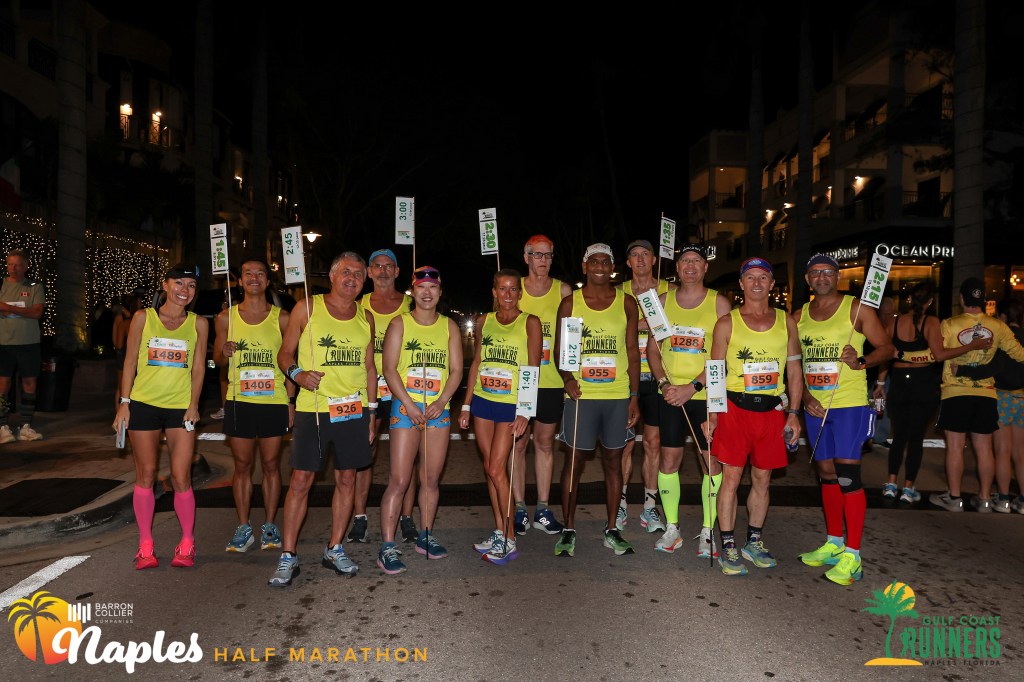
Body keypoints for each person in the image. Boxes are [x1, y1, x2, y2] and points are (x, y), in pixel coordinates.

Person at [268, 252, 377, 587]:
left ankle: (335, 547)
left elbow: (370, 367)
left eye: (358, 274)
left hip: (353, 410)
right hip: (313, 409)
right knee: (301, 481)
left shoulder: (366, 317)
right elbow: (284, 354)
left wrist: (372, 412)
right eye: (346, 272)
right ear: (331, 275)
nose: (352, 278)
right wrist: (298, 374)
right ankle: (288, 554)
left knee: (347, 479)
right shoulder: (307, 308)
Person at [793, 253, 893, 586]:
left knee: (848, 475)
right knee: (826, 472)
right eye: (815, 272)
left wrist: (861, 360)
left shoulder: (857, 309)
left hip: (848, 404)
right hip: (816, 408)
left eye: (828, 272)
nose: (821, 277)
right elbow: (792, 364)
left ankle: (854, 555)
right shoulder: (799, 316)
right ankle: (834, 542)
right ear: (808, 279)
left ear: (838, 277)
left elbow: (887, 348)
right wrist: (805, 398)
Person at [708, 257, 802, 576]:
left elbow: (794, 370)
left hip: (772, 412)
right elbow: (715, 372)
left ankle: (754, 541)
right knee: (731, 479)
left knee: (763, 478)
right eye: (750, 277)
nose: (757, 283)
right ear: (742, 283)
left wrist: (794, 414)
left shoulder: (786, 321)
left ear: (772, 284)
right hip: (735, 410)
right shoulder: (727, 323)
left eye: (763, 277)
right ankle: (728, 544)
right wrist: (713, 414)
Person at [112, 263, 209, 570]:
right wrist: (124, 403)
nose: (184, 290)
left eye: (191, 286)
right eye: (179, 283)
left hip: (181, 408)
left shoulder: (198, 323)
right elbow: (129, 362)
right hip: (143, 405)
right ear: (165, 285)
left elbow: (198, 368)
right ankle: (145, 545)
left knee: (181, 477)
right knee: (146, 475)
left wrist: (194, 405)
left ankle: (187, 542)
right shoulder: (143, 318)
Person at [552, 243, 640, 557]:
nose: (600, 266)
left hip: (617, 395)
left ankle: (612, 529)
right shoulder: (571, 303)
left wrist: (634, 396)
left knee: (614, 462)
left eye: (605, 261)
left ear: (612, 267)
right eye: (594, 261)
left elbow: (632, 351)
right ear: (584, 266)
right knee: (573, 462)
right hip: (582, 395)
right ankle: (569, 528)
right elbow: (560, 350)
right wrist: (567, 378)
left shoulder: (627, 302)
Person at [376, 266, 463, 575]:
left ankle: (425, 534)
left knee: (430, 479)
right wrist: (410, 405)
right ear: (413, 291)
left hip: (438, 411)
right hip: (406, 409)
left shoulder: (449, 326)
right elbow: (389, 369)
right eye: (421, 287)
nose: (427, 293)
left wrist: (441, 402)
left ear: (440, 292)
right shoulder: (399, 323)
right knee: (399, 480)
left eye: (433, 287)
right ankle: (387, 546)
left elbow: (457, 370)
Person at [646, 244, 730, 557]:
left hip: (705, 395)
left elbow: (722, 357)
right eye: (684, 261)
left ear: (705, 267)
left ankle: (708, 530)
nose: (690, 266)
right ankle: (672, 528)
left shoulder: (719, 302)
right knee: (668, 461)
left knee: (711, 462)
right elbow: (653, 349)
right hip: (669, 395)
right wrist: (665, 383)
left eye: (696, 261)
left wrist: (692, 387)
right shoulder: (662, 301)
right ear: (677, 267)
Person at [459, 269, 542, 564]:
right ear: (494, 292)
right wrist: (466, 404)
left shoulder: (530, 322)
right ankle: (499, 531)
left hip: (510, 404)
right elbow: (477, 363)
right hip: (483, 400)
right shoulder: (485, 321)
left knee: (497, 468)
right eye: (502, 289)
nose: (508, 294)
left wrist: (525, 412)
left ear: (520, 292)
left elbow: (533, 369)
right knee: (489, 468)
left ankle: (510, 538)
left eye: (513, 289)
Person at [213, 257, 292, 553]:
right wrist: (223, 352)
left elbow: (291, 362)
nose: (254, 277)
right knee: (243, 465)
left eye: (260, 273)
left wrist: (291, 401)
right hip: (239, 401)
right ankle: (243, 526)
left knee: (271, 465)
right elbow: (217, 361)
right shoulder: (226, 318)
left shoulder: (282, 318)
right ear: (240, 280)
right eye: (248, 273)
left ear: (267, 281)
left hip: (273, 400)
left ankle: (270, 525)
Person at [349, 248, 418, 545]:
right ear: (369, 272)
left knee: (407, 458)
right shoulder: (358, 305)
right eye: (377, 266)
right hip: (369, 389)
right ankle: (360, 517)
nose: (383, 271)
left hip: (403, 389)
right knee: (365, 453)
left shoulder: (411, 304)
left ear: (398, 271)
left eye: (388, 266)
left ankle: (406, 517)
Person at [936, 286, 1024, 512]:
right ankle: (985, 499)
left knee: (955, 447)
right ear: (984, 300)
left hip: (956, 392)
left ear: (961, 298)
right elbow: (1019, 353)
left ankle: (955, 498)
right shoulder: (998, 326)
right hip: (986, 393)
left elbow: (935, 353)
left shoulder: (949, 324)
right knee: (984, 448)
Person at [512, 235, 570, 535]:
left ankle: (543, 509)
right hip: (519, 381)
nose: (543, 260)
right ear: (526, 258)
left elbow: (571, 335)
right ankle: (519, 508)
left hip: (550, 381)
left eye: (548, 255)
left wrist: (570, 375)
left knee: (545, 444)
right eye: (537, 254)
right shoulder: (514, 289)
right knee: (518, 444)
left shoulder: (563, 291)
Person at [616, 239, 676, 535]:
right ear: (628, 262)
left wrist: (638, 323)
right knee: (624, 444)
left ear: (654, 259)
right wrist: (643, 323)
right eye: (634, 255)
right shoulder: (617, 293)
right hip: (625, 377)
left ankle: (650, 506)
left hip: (657, 376)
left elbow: (675, 325)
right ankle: (620, 503)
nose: (640, 259)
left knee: (653, 443)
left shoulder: (670, 292)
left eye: (645, 254)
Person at [875, 282, 943, 504]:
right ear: (930, 301)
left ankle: (890, 484)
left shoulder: (894, 322)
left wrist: (880, 383)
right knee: (915, 438)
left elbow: (885, 355)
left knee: (899, 436)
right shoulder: (932, 322)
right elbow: (938, 354)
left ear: (910, 299)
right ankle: (907, 488)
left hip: (899, 384)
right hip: (923, 383)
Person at [0, 248, 45, 443]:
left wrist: (8, 308)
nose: (13, 268)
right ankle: (2, 427)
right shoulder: (1, 284)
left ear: (26, 266)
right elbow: (30, 311)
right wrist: (23, 310)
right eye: (10, 264)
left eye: (18, 265)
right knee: (3, 385)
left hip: (29, 343)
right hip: (4, 343)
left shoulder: (35, 286)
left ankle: (25, 426)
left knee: (29, 383)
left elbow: (37, 312)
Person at [113, 294, 142, 410]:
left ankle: (121, 413)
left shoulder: (124, 323)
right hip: (138, 357)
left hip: (124, 357)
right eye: (139, 302)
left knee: (122, 388)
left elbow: (118, 344)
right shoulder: (142, 321)